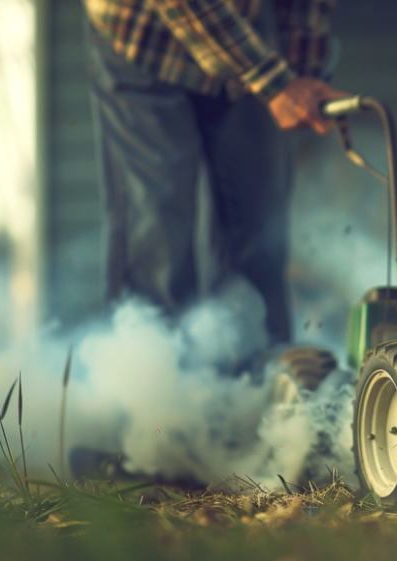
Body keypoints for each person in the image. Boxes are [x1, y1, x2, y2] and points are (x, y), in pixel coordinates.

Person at [83, 0, 348, 351]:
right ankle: (153, 383)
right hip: (142, 31)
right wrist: (275, 82)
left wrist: (302, 72)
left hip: (243, 28)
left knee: (260, 220)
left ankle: (254, 382)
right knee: (157, 224)